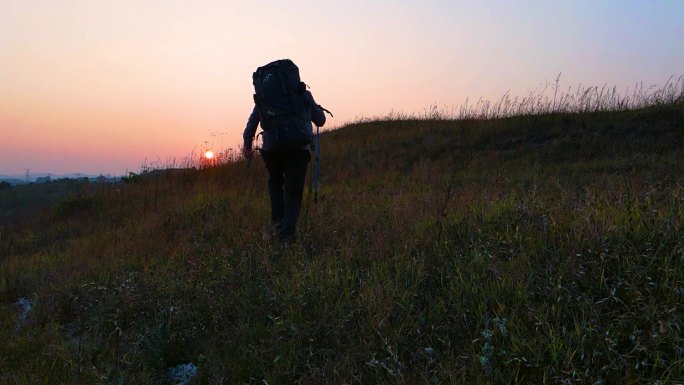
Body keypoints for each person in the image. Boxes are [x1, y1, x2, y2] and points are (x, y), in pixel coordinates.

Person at [242, 70, 326, 245]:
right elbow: (320, 120)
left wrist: (247, 146)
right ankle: (286, 235)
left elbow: (251, 124)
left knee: (275, 181)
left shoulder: (266, 98)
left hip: (272, 148)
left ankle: (277, 223)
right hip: (298, 149)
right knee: (293, 192)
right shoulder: (303, 94)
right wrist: (314, 108)